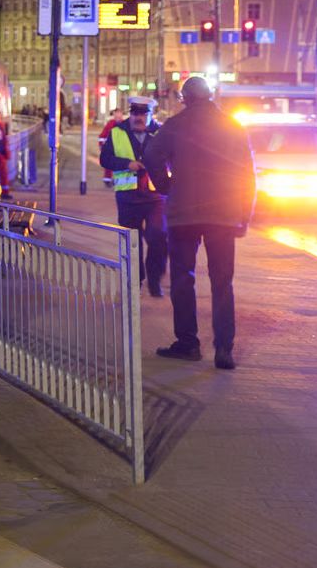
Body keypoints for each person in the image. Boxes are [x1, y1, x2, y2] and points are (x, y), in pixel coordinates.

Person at [142, 76, 256, 370]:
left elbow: (151, 154)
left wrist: (165, 186)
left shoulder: (175, 125)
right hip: (223, 216)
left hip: (184, 215)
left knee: (183, 278)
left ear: (185, 99)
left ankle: (188, 343)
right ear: (210, 96)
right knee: (222, 282)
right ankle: (224, 349)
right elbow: (247, 174)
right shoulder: (232, 126)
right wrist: (244, 214)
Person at [99, 96, 167, 297]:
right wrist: (126, 164)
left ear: (151, 115)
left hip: (155, 196)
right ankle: (135, 280)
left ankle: (155, 280)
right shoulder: (117, 132)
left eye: (143, 114)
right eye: (135, 113)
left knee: (158, 236)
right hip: (128, 197)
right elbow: (105, 159)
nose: (138, 118)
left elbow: (173, 158)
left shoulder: (162, 133)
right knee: (131, 241)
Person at [98, 107, 126, 186]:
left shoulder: (125, 124)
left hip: (121, 148)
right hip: (111, 147)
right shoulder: (110, 124)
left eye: (119, 116)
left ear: (122, 115)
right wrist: (101, 145)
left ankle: (119, 180)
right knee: (109, 164)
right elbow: (102, 135)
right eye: (116, 116)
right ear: (114, 115)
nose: (118, 118)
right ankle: (107, 180)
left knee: (120, 164)